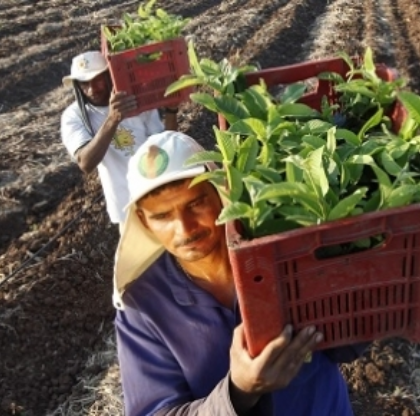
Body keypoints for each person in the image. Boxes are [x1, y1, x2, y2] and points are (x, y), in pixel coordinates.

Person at [113, 131, 367, 415]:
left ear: (220, 194)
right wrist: (239, 393)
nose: (184, 229)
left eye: (195, 204)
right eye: (162, 216)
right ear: (143, 221)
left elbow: (343, 345)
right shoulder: (143, 308)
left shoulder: (276, 250)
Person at [59, 50, 179, 231]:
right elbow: (86, 163)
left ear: (110, 76)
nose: (92, 89)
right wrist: (113, 119)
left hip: (158, 195)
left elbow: (165, 145)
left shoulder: (134, 99)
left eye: (98, 80)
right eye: (84, 83)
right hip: (126, 206)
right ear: (77, 86)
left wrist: (171, 111)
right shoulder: (73, 116)